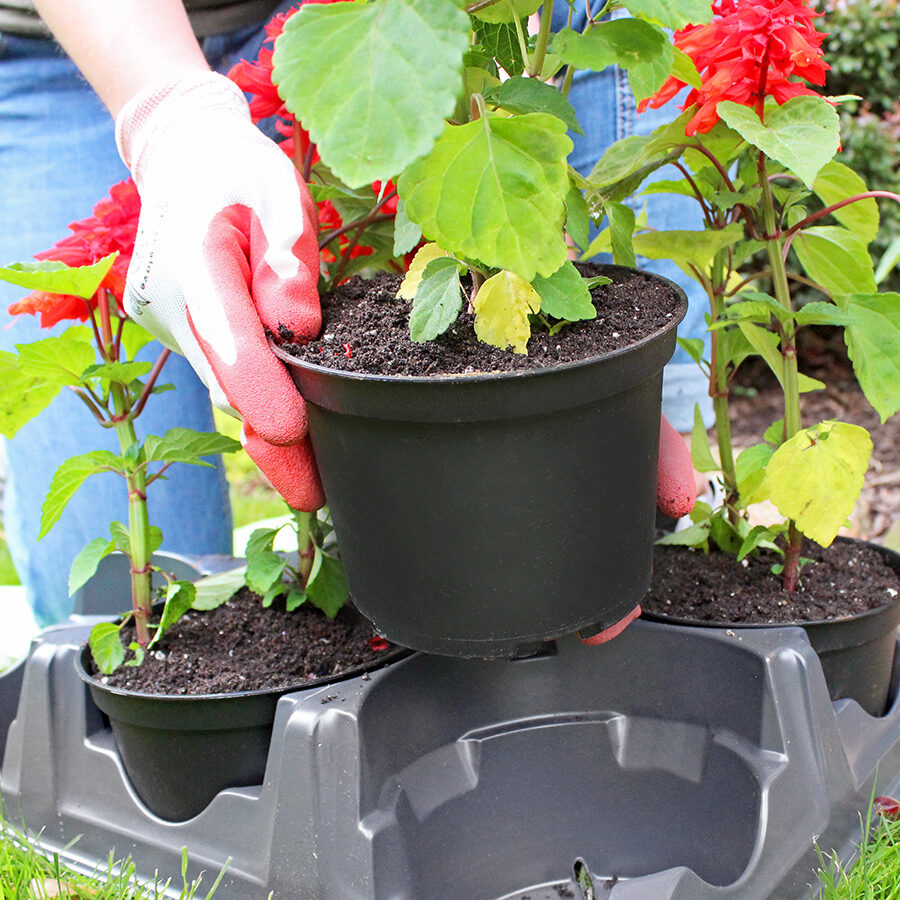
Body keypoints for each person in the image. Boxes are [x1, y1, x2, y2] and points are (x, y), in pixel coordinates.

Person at [2, 0, 698, 626]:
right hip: (70, 38)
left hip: (357, 12)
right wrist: (171, 117)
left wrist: (512, 218)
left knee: (652, 556)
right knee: (107, 606)